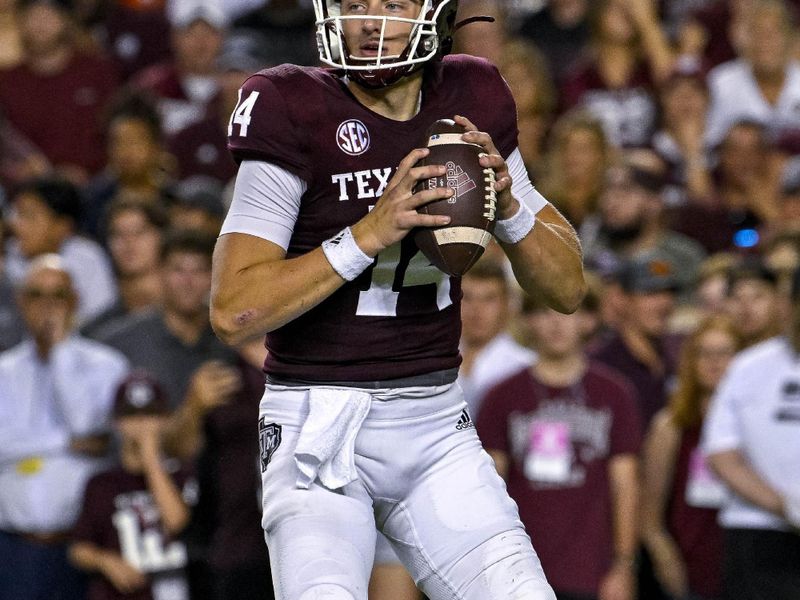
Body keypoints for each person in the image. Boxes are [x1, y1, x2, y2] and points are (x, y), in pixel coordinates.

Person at [210, 1, 586, 598]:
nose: (369, 22)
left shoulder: (473, 93)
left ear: (435, 12)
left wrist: (509, 209)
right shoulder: (290, 104)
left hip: (434, 420)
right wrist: (369, 233)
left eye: (391, 3)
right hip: (315, 424)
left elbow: (567, 289)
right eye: (355, 4)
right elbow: (233, 309)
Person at [477, 295, 641, 600]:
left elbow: (626, 486)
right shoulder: (501, 396)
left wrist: (623, 566)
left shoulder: (614, 393)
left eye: (566, 312)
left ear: (589, 321)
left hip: (591, 569)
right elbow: (490, 488)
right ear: (528, 321)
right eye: (543, 312)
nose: (555, 324)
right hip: (519, 569)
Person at [0, 255, 129, 600]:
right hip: (14, 549)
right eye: (36, 295)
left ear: (74, 302)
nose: (47, 307)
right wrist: (67, 443)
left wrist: (59, 353)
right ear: (21, 302)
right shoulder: (3, 370)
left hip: (84, 545)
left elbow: (88, 425)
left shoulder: (106, 365)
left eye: (57, 296)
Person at [701, 268, 800, 600]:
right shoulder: (749, 366)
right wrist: (786, 506)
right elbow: (721, 453)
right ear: (788, 306)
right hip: (758, 529)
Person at [641, 316, 743, 600]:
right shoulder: (671, 426)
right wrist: (667, 563)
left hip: (747, 566)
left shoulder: (752, 426)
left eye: (725, 353)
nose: (715, 362)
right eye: (704, 353)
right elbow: (650, 515)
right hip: (688, 570)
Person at [70, 372, 196, 600]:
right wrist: (105, 561)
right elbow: (79, 548)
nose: (141, 425)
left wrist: (151, 460)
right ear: (116, 423)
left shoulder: (183, 474)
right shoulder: (101, 483)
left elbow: (176, 521)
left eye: (150, 414)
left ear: (166, 419)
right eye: (131, 415)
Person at [4, 176, 118, 324]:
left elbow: (101, 318)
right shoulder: (7, 256)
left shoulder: (87, 258)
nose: (18, 225)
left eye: (30, 216)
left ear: (62, 226)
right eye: (19, 214)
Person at [458, 257, 535, 419]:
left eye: (489, 299)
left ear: (507, 305)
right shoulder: (432, 361)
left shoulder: (524, 366)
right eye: (468, 298)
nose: (477, 310)